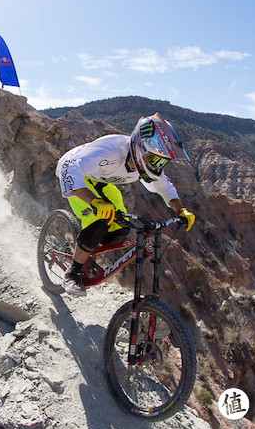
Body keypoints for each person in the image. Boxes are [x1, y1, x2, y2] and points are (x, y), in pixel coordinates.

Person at [54, 112, 196, 296]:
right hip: (76, 173)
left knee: (120, 227)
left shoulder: (144, 160)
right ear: (140, 149)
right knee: (101, 220)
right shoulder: (111, 151)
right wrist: (93, 201)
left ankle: (86, 253)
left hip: (101, 178)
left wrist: (180, 210)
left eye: (162, 162)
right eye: (154, 160)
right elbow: (70, 168)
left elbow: (165, 187)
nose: (157, 167)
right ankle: (73, 272)